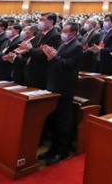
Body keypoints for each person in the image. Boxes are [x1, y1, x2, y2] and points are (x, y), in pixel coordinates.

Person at [39, 21, 84, 165]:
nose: (62, 33)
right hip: (55, 85)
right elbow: (58, 62)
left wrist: (54, 57)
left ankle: (62, 151)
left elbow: (69, 65)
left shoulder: (77, 46)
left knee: (63, 121)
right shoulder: (63, 44)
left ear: (74, 32)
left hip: (65, 88)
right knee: (54, 119)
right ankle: (52, 149)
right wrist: (50, 56)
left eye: (65, 31)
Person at [22, 13, 62, 88]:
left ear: (51, 21)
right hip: (30, 69)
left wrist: (30, 49)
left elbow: (45, 55)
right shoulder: (39, 34)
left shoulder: (55, 35)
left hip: (41, 72)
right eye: (39, 19)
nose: (39, 22)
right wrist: (24, 51)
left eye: (42, 20)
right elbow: (32, 49)